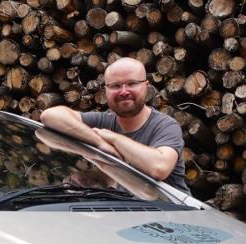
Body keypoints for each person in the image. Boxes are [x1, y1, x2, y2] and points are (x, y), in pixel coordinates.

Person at [39, 57, 189, 194]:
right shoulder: (102, 121)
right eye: (116, 86)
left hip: (173, 215)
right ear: (106, 91)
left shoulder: (165, 126)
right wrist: (99, 144)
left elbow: (159, 167)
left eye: (131, 83)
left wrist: (114, 138)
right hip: (127, 214)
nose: (124, 91)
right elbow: (50, 116)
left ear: (146, 86)